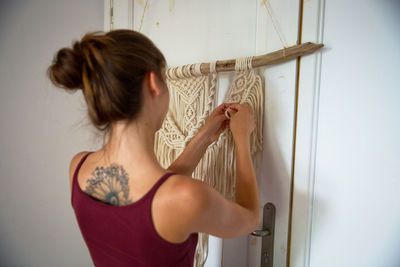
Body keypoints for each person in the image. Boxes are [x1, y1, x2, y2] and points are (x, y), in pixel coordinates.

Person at [47, 29, 260, 267]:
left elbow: (151, 196)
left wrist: (204, 137)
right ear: (153, 84)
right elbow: (250, 218)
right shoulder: (186, 196)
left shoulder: (78, 167)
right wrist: (242, 138)